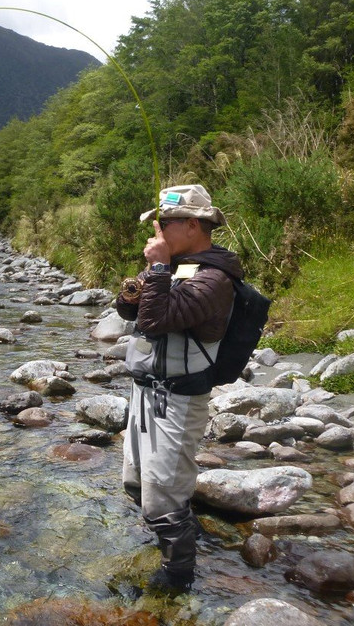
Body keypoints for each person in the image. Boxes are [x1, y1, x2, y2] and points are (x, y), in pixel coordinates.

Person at [114, 184, 243, 594]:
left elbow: (153, 322)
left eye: (164, 224)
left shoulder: (215, 278)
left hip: (179, 399)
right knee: (136, 483)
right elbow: (130, 312)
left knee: (163, 497)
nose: (157, 231)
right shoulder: (177, 266)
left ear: (192, 225)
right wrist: (141, 284)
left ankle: (177, 580)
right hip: (147, 391)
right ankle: (181, 535)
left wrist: (156, 271)